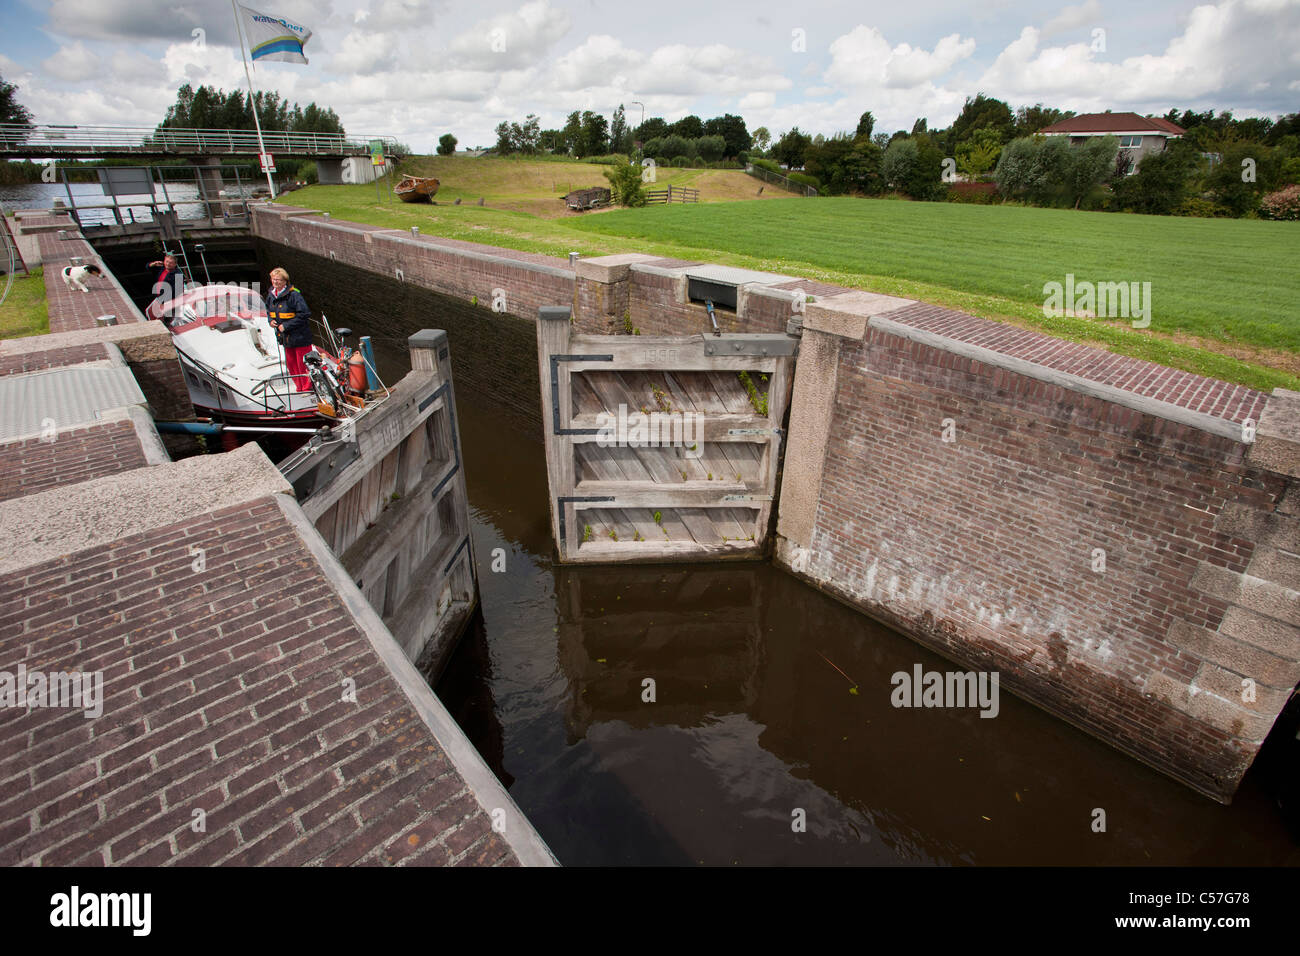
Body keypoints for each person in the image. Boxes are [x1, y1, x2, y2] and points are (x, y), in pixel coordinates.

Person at [265, 267, 313, 392]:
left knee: (302, 364)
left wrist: (286, 326)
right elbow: (268, 311)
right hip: (285, 338)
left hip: (300, 336)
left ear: (285, 281)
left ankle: (307, 388)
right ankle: (299, 387)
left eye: (279, 280)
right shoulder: (271, 295)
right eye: (273, 279)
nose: (276, 282)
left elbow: (304, 313)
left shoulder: (294, 295)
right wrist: (271, 321)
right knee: (292, 364)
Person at [146, 253, 186, 321]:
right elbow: (148, 267)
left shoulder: (178, 274)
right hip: (157, 297)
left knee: (166, 318)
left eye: (170, 263)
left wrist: (166, 302)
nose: (168, 264)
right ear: (164, 261)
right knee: (152, 313)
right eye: (167, 261)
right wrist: (154, 264)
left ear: (175, 264)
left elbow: (178, 291)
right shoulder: (161, 268)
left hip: (167, 301)